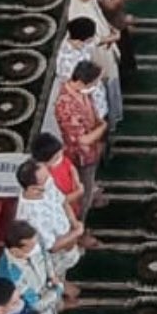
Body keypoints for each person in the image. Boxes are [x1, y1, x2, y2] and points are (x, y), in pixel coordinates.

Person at [53, 60, 106, 222]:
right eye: (94, 82)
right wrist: (103, 127)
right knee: (83, 191)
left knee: (89, 182)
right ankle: (80, 223)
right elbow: (83, 140)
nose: (96, 85)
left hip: (93, 148)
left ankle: (91, 192)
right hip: (82, 155)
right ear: (82, 82)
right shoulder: (66, 106)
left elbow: (92, 112)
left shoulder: (82, 91)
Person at [14, 159, 84, 277]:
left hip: (69, 241)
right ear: (33, 188)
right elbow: (52, 247)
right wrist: (77, 232)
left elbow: (62, 201)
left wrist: (73, 222)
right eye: (46, 179)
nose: (50, 179)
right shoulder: (31, 217)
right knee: (58, 276)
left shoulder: (46, 184)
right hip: (57, 257)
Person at [0, 220, 65, 314]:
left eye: (36, 244)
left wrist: (52, 276)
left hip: (49, 292)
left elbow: (46, 257)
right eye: (31, 247)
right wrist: (58, 289)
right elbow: (36, 305)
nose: (36, 248)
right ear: (15, 250)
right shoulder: (11, 275)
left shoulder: (34, 241)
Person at [30, 133, 87, 218]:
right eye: (56, 157)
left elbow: (71, 167)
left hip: (73, 203)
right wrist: (78, 193)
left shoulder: (61, 159)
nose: (60, 157)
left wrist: (76, 181)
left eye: (61, 153)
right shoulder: (42, 179)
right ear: (44, 161)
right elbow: (58, 201)